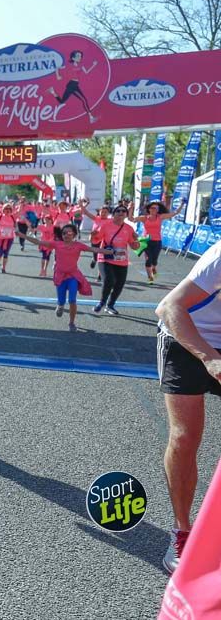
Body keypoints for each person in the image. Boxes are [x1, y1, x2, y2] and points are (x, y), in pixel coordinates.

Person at [153, 239, 221, 572]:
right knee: (185, 436)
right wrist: (210, 359)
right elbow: (168, 307)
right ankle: (182, 531)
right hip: (185, 336)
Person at [17, 224, 112, 331]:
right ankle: (60, 305)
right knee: (61, 300)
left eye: (69, 232)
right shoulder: (57, 244)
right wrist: (22, 235)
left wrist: (111, 252)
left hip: (73, 275)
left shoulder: (78, 245)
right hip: (60, 276)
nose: (66, 235)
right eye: (64, 233)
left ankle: (71, 323)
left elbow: (94, 249)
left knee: (72, 300)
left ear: (74, 234)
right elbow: (38, 242)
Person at [92, 205, 139, 315]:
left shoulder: (129, 228)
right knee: (109, 280)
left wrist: (136, 241)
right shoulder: (106, 225)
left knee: (119, 284)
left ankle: (110, 305)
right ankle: (102, 302)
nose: (121, 212)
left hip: (121, 260)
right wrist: (93, 236)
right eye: (118, 211)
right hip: (105, 258)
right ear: (113, 214)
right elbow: (96, 241)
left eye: (124, 211)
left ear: (126, 214)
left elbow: (134, 246)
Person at [129, 200, 183, 284]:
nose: (153, 209)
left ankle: (153, 268)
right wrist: (130, 209)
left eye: (155, 208)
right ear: (149, 209)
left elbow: (175, 213)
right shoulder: (144, 218)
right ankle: (150, 278)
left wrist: (182, 204)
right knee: (148, 259)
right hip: (146, 241)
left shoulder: (160, 217)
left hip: (157, 241)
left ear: (158, 210)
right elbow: (131, 219)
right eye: (152, 208)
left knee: (154, 260)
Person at [0, 204, 17, 273]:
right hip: (0, 238)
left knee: (6, 253)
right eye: (6, 208)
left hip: (9, 238)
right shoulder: (0, 216)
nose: (8, 210)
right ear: (3, 209)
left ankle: (3, 267)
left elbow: (20, 212)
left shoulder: (13, 216)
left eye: (9, 209)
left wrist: (22, 205)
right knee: (0, 252)